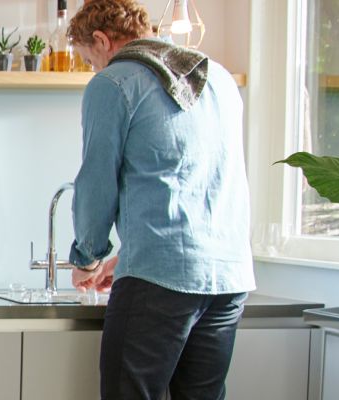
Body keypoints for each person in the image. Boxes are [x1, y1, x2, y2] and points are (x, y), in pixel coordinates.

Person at [63, 1, 253, 398]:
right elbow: (199, 178)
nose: (94, 69)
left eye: (89, 60)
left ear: (101, 40)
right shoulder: (216, 77)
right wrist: (127, 256)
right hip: (228, 276)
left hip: (160, 281)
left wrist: (88, 257)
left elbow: (97, 181)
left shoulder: (114, 82)